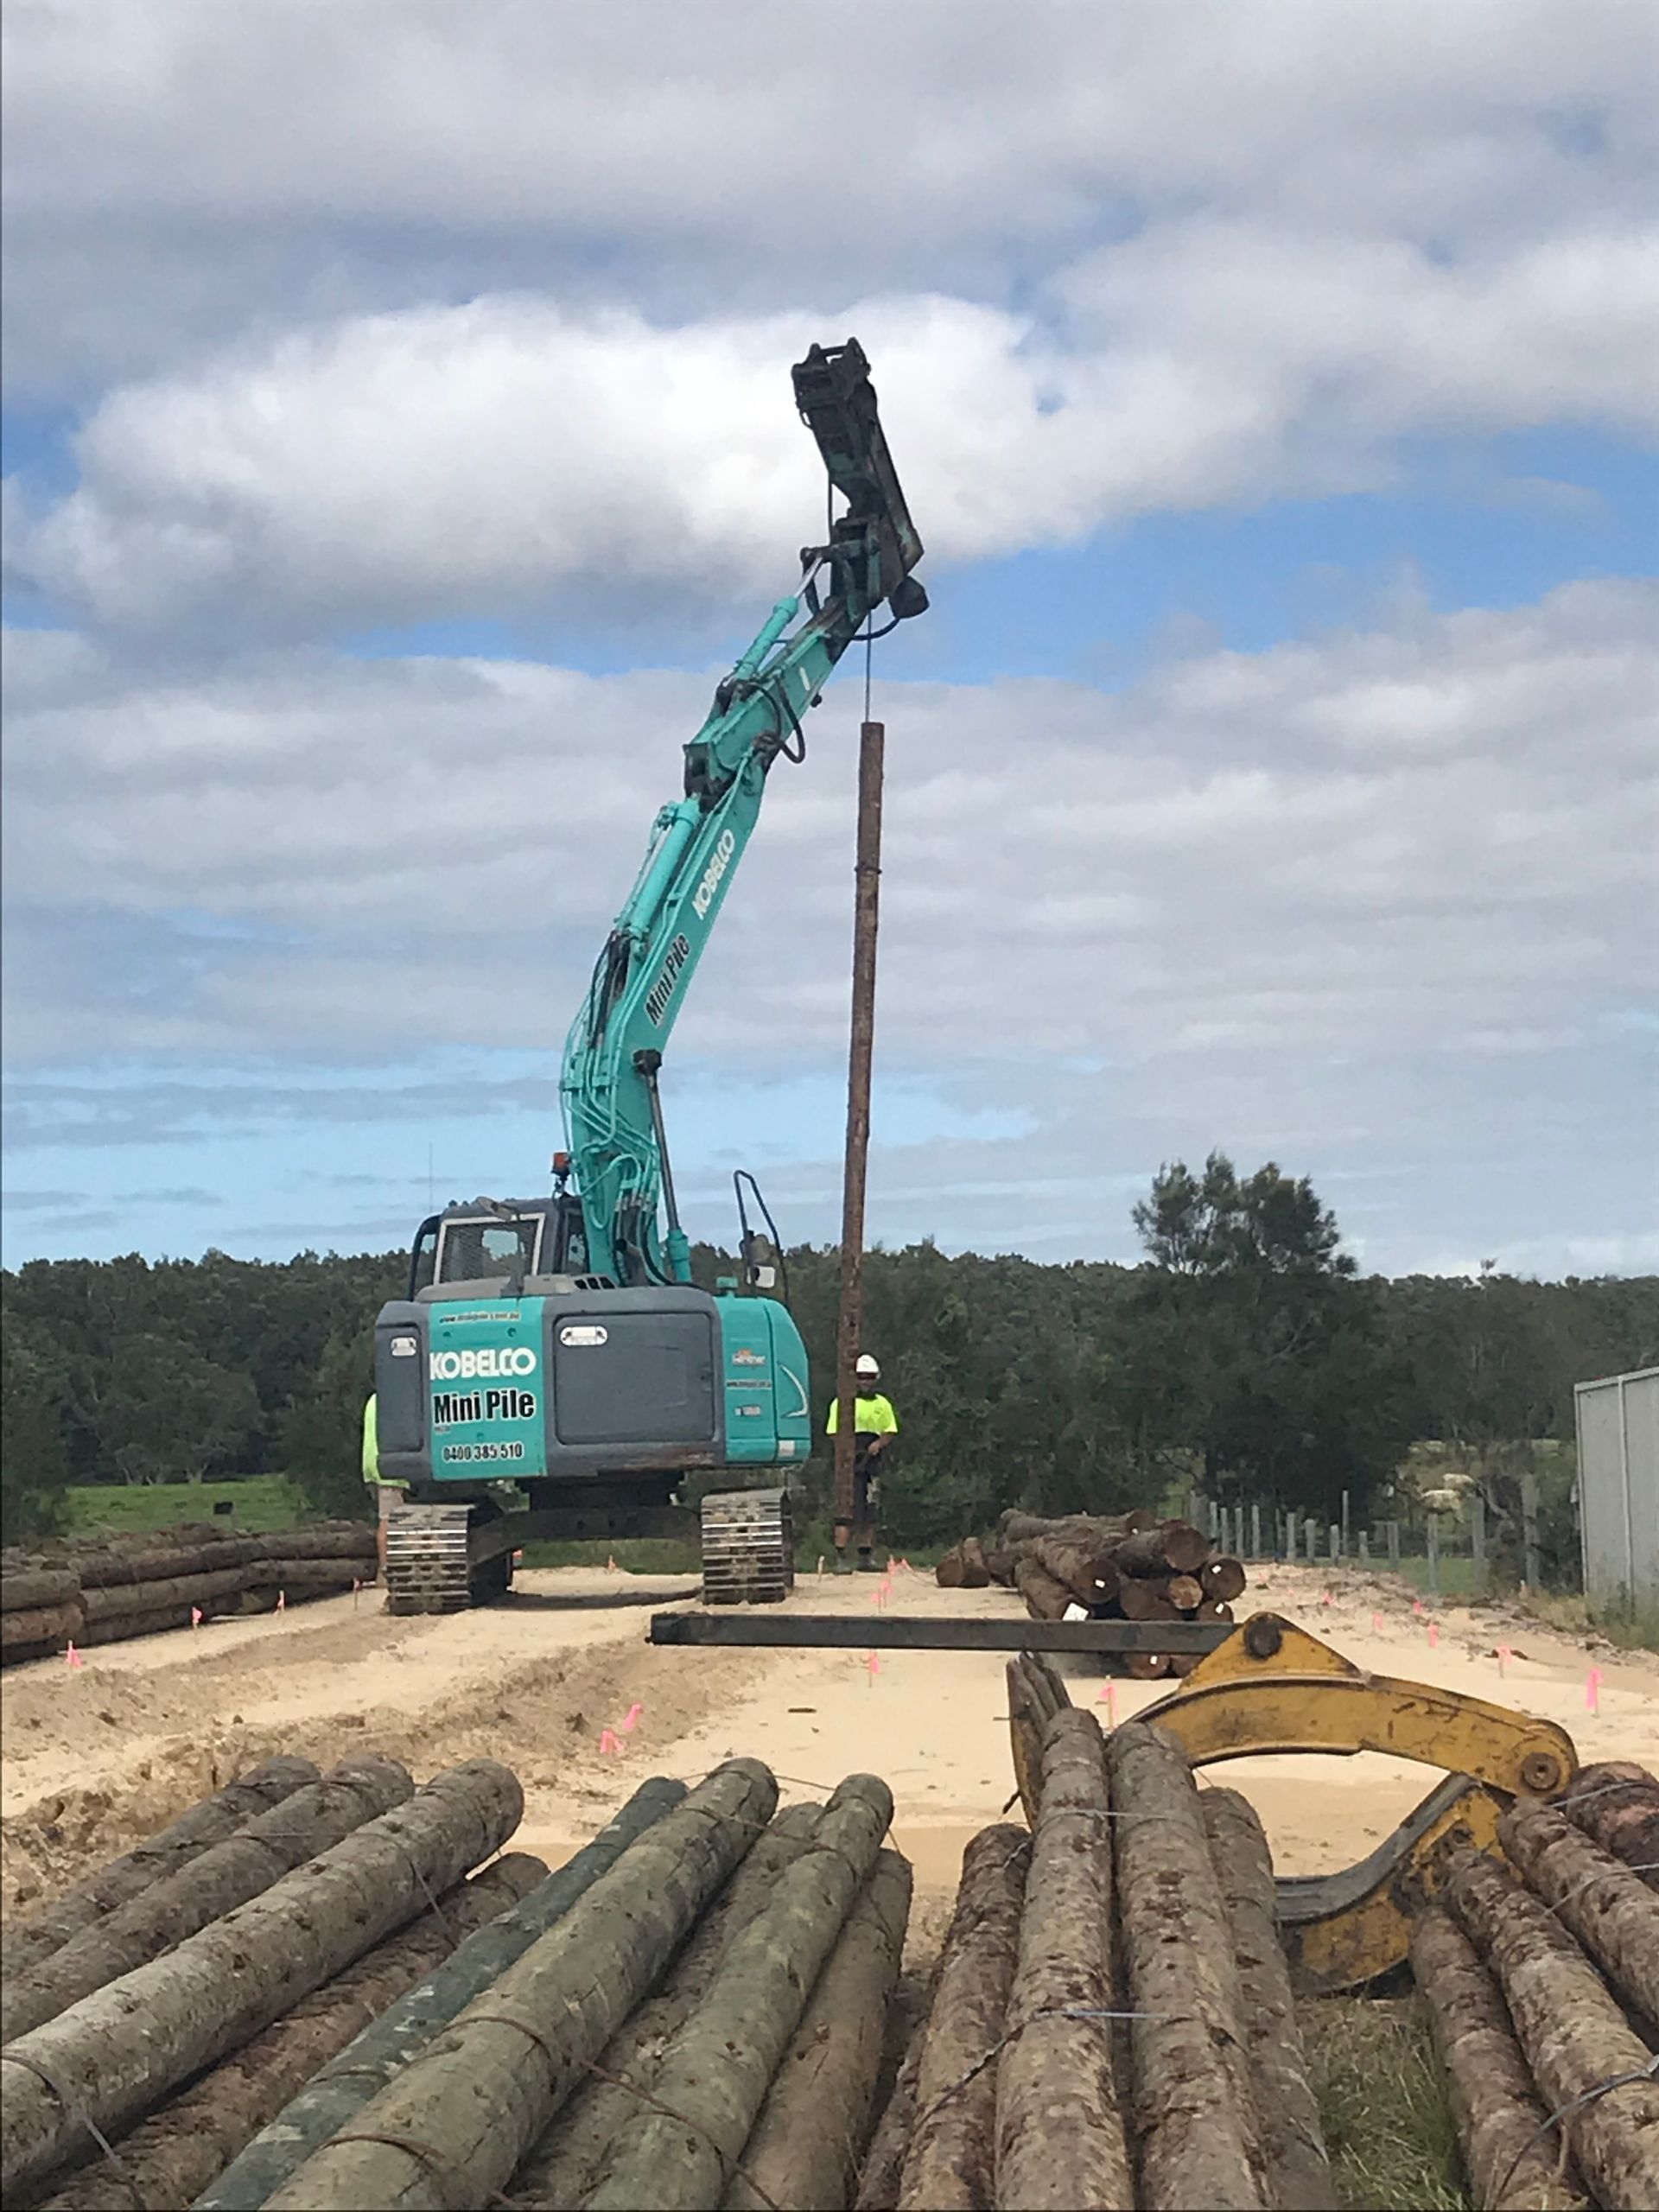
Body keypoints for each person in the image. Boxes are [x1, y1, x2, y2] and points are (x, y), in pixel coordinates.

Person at [825, 1353, 899, 1572]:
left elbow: (890, 1430)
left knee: (870, 1507)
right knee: (845, 1507)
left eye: (869, 1377)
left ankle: (865, 1557)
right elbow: (833, 1432)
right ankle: (840, 1557)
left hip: (872, 1460)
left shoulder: (882, 1403)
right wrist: (847, 1450)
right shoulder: (842, 1402)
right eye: (861, 1376)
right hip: (849, 1461)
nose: (865, 1381)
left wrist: (879, 1444)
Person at [361, 1393, 405, 1580]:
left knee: (386, 1517)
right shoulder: (394, 1400)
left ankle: (387, 1565)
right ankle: (386, 1569)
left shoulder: (374, 1399)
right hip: (388, 1467)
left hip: (372, 1463)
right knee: (388, 1519)